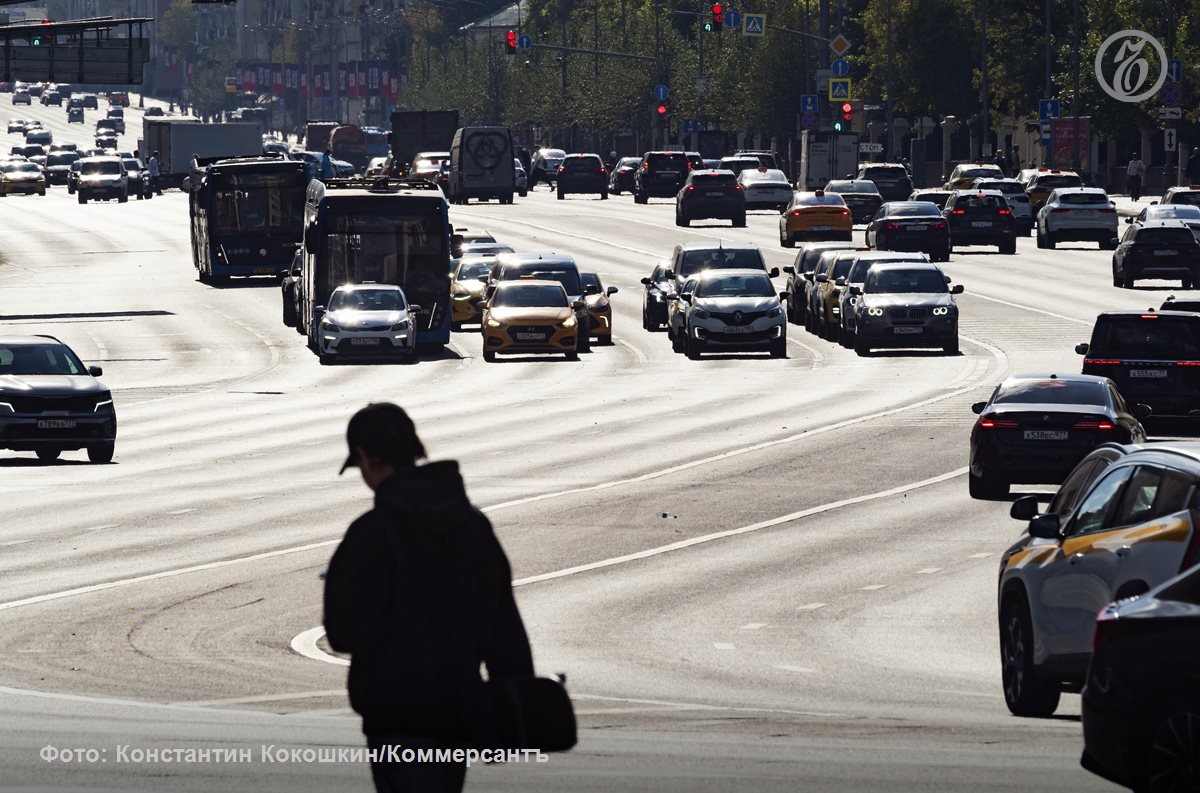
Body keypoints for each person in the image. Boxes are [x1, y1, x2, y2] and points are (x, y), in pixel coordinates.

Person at [324, 403, 534, 793]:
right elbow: (503, 624)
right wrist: (516, 704)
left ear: (367, 458)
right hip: (458, 712)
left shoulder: (371, 534)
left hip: (395, 717)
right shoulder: (472, 525)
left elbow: (343, 632)